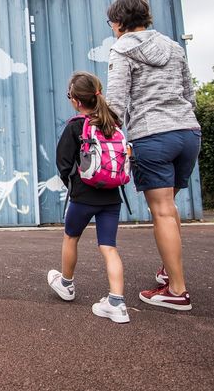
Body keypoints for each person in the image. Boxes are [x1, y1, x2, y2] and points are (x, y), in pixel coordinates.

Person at [105, 0, 201, 312]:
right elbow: (189, 93)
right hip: (188, 132)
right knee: (169, 208)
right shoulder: (174, 47)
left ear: (119, 23)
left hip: (153, 135)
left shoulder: (122, 49)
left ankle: (177, 290)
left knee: (160, 210)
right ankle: (169, 270)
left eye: (111, 23)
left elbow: (117, 102)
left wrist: (104, 135)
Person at [47, 71, 130, 324]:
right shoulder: (112, 122)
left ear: (75, 100)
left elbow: (63, 163)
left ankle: (67, 284)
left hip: (83, 196)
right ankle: (117, 302)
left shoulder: (75, 126)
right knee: (109, 247)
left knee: (71, 237)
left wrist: (73, 185)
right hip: (112, 197)